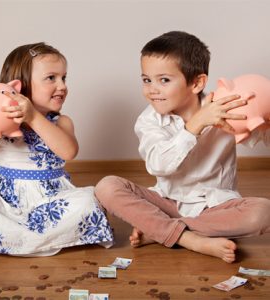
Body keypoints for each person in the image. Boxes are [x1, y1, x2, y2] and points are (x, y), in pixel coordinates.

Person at [95, 31, 270, 263]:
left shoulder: (225, 109)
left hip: (215, 207)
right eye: (146, 80)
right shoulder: (148, 121)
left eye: (164, 80)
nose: (152, 89)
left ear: (197, 83)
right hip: (167, 202)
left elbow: (258, 134)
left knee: (263, 212)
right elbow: (159, 165)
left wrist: (265, 118)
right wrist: (195, 125)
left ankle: (163, 232)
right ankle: (191, 239)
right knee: (106, 186)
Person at [0, 42, 113, 256]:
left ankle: (22, 238)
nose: (62, 86)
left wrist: (34, 117)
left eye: (64, 78)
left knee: (88, 202)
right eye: (51, 78)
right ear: (22, 87)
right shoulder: (1, 121)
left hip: (49, 199)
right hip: (4, 197)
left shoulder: (62, 122)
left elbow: (68, 152)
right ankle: (27, 238)